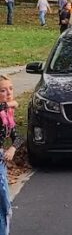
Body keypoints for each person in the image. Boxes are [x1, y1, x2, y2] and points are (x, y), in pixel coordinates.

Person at [0, 75, 22, 235]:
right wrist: (9, 104)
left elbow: (18, 136)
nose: (8, 93)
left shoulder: (7, 114)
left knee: (4, 205)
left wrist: (13, 148)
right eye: (3, 90)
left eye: (11, 89)